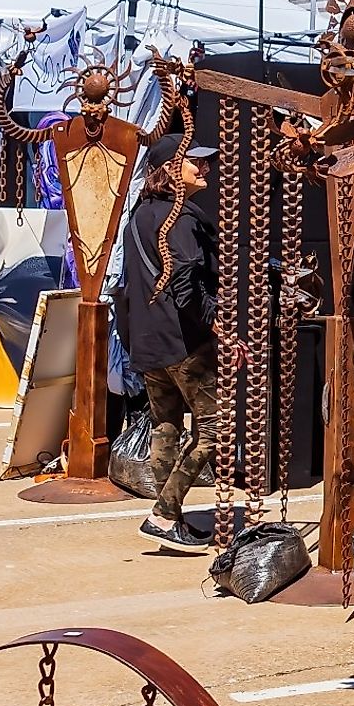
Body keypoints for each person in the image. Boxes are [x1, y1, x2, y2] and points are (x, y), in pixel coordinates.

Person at [120, 134, 218, 553]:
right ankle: (162, 513)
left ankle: (168, 520)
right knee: (215, 429)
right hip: (183, 342)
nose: (205, 167)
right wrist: (218, 322)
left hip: (149, 343)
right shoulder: (180, 218)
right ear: (169, 169)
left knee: (166, 426)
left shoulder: (139, 217)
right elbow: (184, 281)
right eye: (195, 161)